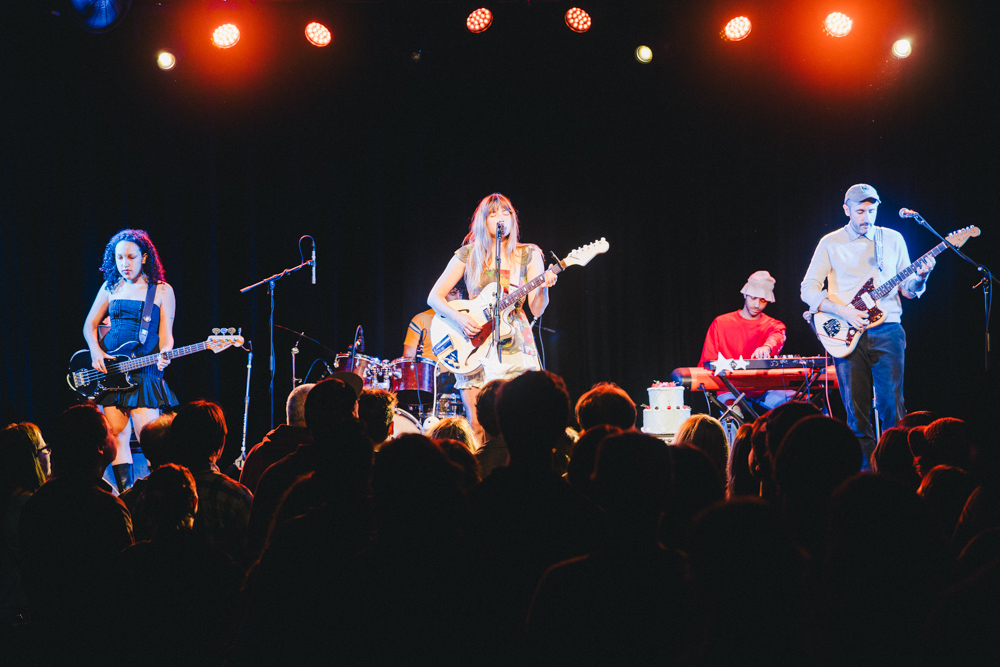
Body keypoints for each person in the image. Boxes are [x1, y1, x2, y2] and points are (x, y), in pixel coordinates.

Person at [801, 184, 935, 459]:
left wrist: (921, 277)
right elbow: (808, 289)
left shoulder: (893, 239)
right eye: (860, 211)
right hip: (847, 334)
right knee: (856, 412)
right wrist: (842, 312)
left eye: (871, 210)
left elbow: (908, 290)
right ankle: (864, 476)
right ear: (846, 209)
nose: (866, 217)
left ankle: (895, 469)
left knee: (893, 409)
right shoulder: (831, 242)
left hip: (888, 330)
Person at [428, 193, 558, 443]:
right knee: (477, 425)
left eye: (506, 212)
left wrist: (543, 287)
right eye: (494, 214)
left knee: (522, 420)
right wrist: (460, 319)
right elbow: (434, 297)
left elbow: (537, 309)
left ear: (513, 218)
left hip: (515, 341)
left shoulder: (529, 254)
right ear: (483, 221)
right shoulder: (467, 254)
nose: (501, 218)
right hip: (475, 340)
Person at [83, 229, 178, 492]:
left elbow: (166, 337)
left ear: (145, 257)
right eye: (119, 258)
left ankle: (154, 495)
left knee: (151, 439)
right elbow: (89, 325)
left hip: (145, 371)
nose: (124, 264)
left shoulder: (161, 291)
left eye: (131, 257)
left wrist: (165, 354)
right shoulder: (110, 287)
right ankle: (126, 495)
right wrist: (95, 351)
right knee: (116, 434)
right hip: (112, 372)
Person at [699, 270, 792, 411]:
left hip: (765, 389)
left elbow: (777, 336)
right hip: (731, 387)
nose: (757, 305)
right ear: (745, 294)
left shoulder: (773, 324)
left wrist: (767, 347)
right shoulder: (721, 323)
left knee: (800, 404)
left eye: (763, 300)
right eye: (753, 298)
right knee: (732, 413)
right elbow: (708, 361)